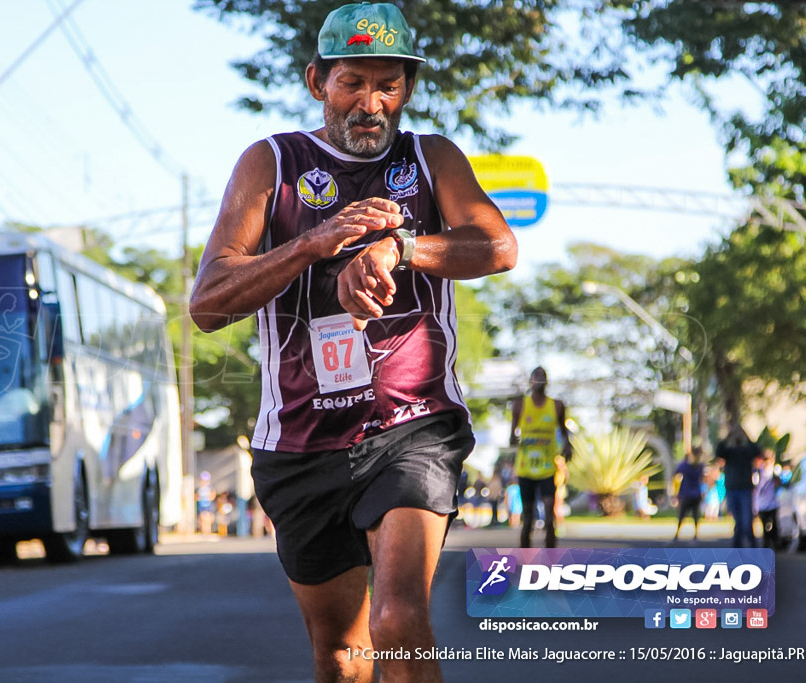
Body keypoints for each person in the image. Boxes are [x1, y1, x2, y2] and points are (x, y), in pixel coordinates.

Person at [188, 3, 517, 680]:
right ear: (317, 82)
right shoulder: (272, 164)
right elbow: (208, 303)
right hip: (301, 442)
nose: (371, 103)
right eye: (352, 83)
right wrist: (313, 242)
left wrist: (401, 248)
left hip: (411, 423)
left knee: (397, 620)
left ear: (407, 90)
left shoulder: (431, 157)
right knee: (341, 655)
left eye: (388, 85)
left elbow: (497, 245)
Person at [509, 367, 572, 548]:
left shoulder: (557, 406)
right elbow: (512, 436)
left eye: (543, 378)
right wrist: (514, 439)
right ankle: (526, 557)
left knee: (549, 515)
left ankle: (550, 558)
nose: (540, 381)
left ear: (547, 382)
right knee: (527, 517)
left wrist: (568, 445)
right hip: (526, 468)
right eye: (536, 378)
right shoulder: (520, 405)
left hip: (546, 468)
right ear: (530, 382)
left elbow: (564, 431)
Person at [715, 422, 762, 548]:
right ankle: (738, 547)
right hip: (732, 489)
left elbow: (757, 450)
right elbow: (719, 450)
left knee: (747, 522)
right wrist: (729, 435)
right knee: (739, 522)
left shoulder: (746, 452)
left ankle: (752, 547)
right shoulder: (729, 453)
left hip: (744, 489)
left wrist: (745, 435)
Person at [673, 447, 705, 542]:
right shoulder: (701, 466)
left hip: (687, 493)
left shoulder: (685, 466)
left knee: (682, 514)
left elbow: (676, 472)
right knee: (695, 514)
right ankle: (695, 535)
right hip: (696, 493)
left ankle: (677, 535)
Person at [753, 449, 780, 550]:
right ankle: (766, 541)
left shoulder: (775, 471)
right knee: (764, 524)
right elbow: (755, 487)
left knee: (774, 524)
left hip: (773, 502)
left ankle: (775, 541)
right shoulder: (759, 472)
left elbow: (779, 483)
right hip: (762, 503)